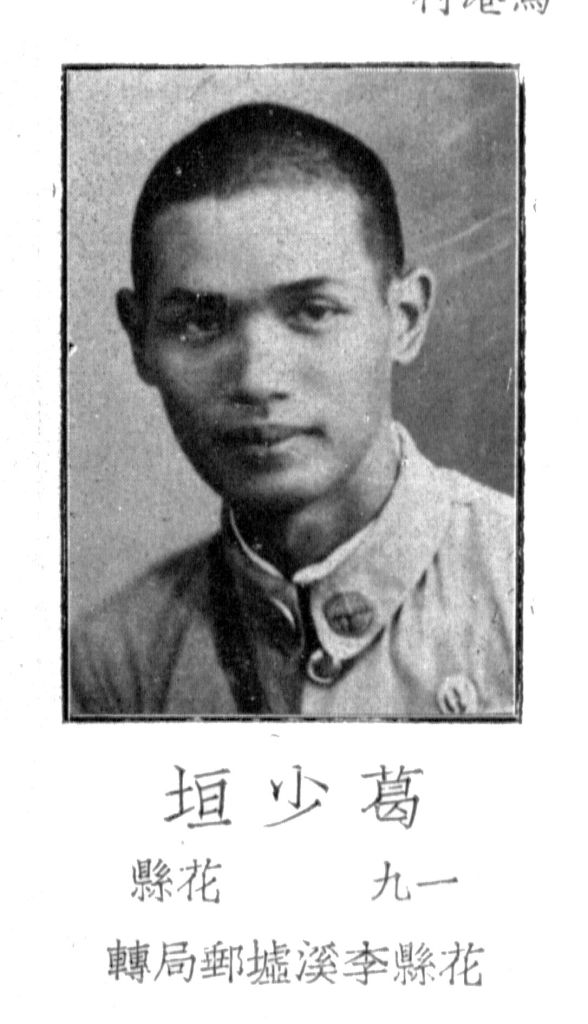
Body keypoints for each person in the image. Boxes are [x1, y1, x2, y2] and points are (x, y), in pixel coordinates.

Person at [70, 101, 516, 719]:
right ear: (140, 339)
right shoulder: (113, 664)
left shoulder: (532, 586)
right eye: (200, 321)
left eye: (312, 311)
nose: (256, 379)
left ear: (405, 319)